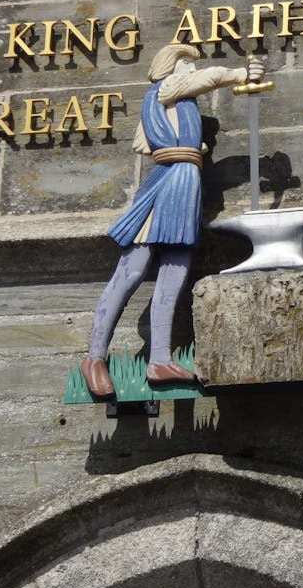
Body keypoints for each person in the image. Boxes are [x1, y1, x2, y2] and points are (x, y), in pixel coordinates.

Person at [80, 44, 265, 398]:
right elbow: (208, 77)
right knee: (134, 267)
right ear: (169, 65)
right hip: (166, 183)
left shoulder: (179, 104)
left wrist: (195, 148)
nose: (190, 68)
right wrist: (240, 74)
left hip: (184, 181)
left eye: (190, 63)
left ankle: (160, 360)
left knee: (176, 268)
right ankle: (94, 358)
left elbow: (151, 141)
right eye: (185, 62)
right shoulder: (165, 88)